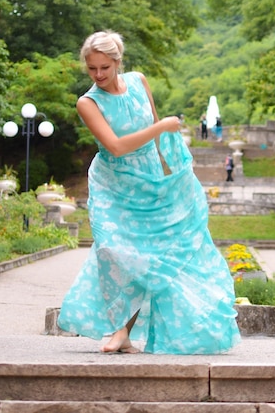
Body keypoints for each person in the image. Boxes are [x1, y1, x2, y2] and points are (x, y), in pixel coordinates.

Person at [57, 30, 241, 355]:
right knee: (113, 250)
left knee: (152, 254)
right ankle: (117, 328)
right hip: (113, 183)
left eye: (104, 68)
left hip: (150, 178)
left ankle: (125, 332)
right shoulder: (88, 102)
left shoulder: (139, 82)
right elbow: (114, 146)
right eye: (91, 69)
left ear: (117, 62)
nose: (98, 75)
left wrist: (171, 177)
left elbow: (157, 140)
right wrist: (162, 125)